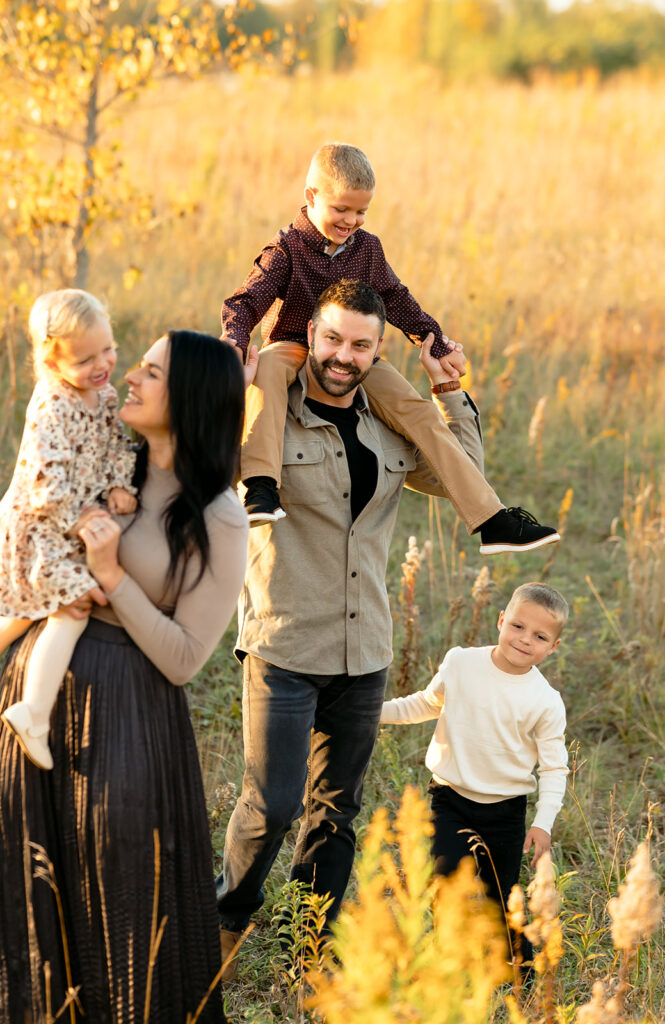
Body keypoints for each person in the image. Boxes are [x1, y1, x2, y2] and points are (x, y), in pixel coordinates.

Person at [215, 279, 498, 971]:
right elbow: (218, 470)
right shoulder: (268, 416)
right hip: (284, 642)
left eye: (361, 345)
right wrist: (239, 386)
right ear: (311, 335)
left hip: (363, 647)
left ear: (377, 349)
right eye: (333, 339)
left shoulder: (387, 420)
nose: (344, 356)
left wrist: (447, 393)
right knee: (272, 805)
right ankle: (225, 920)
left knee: (335, 813)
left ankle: (310, 948)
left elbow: (459, 472)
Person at [0, 328, 250, 1023]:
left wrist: (113, 579)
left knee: (123, 894)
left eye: (149, 372)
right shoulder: (104, 461)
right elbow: (24, 547)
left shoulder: (219, 517)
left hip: (129, 713)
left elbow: (184, 657)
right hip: (36, 691)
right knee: (29, 883)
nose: (127, 379)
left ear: (191, 399)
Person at [221, 142, 559, 556]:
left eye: (361, 212)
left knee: (413, 406)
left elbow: (395, 298)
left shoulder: (368, 249)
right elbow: (246, 300)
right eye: (341, 209)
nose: (351, 221)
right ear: (311, 197)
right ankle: (259, 487)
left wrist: (433, 341)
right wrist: (235, 341)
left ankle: (491, 518)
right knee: (268, 371)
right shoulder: (286, 248)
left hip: (358, 352)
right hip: (293, 344)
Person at [380, 581, 569, 965]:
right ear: (501, 620)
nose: (524, 639)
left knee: (501, 897)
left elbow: (554, 767)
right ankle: (446, 963)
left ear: (553, 647)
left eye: (539, 636)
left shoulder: (545, 701)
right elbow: (426, 703)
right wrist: (371, 713)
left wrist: (543, 822)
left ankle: (521, 976)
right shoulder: (462, 662)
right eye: (517, 626)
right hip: (448, 798)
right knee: (445, 882)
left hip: (505, 812)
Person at [0, 289, 137, 770]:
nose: (102, 365)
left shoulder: (105, 393)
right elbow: (44, 483)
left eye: (108, 350)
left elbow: (117, 442)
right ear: (51, 359)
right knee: (72, 607)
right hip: (40, 527)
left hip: (68, 526)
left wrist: (120, 481)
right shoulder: (50, 405)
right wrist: (80, 517)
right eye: (84, 359)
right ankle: (33, 712)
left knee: (32, 607)